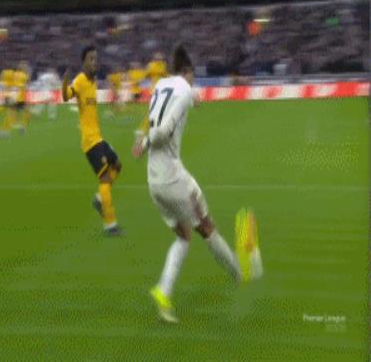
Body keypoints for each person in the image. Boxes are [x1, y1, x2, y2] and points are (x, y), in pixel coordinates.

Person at [132, 44, 262, 323]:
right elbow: (162, 131)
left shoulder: (162, 85)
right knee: (206, 227)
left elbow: (155, 115)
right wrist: (148, 140)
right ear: (188, 72)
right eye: (193, 78)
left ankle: (163, 291)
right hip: (172, 177)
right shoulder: (183, 89)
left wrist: (141, 139)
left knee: (183, 236)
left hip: (153, 180)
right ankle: (239, 272)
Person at [62, 46, 122, 236]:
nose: (94, 62)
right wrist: (64, 81)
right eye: (90, 59)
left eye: (96, 59)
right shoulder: (80, 80)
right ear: (84, 62)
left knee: (117, 165)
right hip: (90, 142)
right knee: (104, 179)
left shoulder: (93, 82)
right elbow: (66, 96)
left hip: (99, 138)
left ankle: (99, 198)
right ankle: (110, 224)